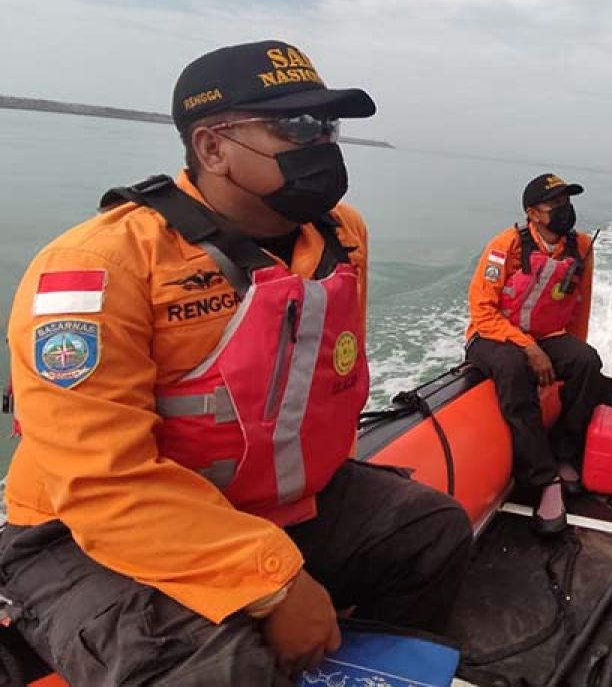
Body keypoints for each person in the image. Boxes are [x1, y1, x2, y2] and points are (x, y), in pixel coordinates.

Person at [0, 40, 472, 686]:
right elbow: (100, 483)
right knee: (219, 669)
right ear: (213, 147)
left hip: (260, 498)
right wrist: (274, 583)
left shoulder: (342, 234)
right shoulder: (100, 266)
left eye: (327, 126)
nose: (323, 145)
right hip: (82, 531)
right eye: (295, 127)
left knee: (431, 533)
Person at [465, 174, 604, 535]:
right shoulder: (505, 245)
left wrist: (569, 351)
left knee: (586, 361)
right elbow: (482, 311)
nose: (564, 210)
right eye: (555, 204)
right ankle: (545, 480)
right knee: (513, 368)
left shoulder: (582, 248)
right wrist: (527, 347)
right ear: (532, 213)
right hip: (492, 336)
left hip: (543, 338)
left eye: (567, 202)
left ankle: (565, 455)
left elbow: (579, 311)